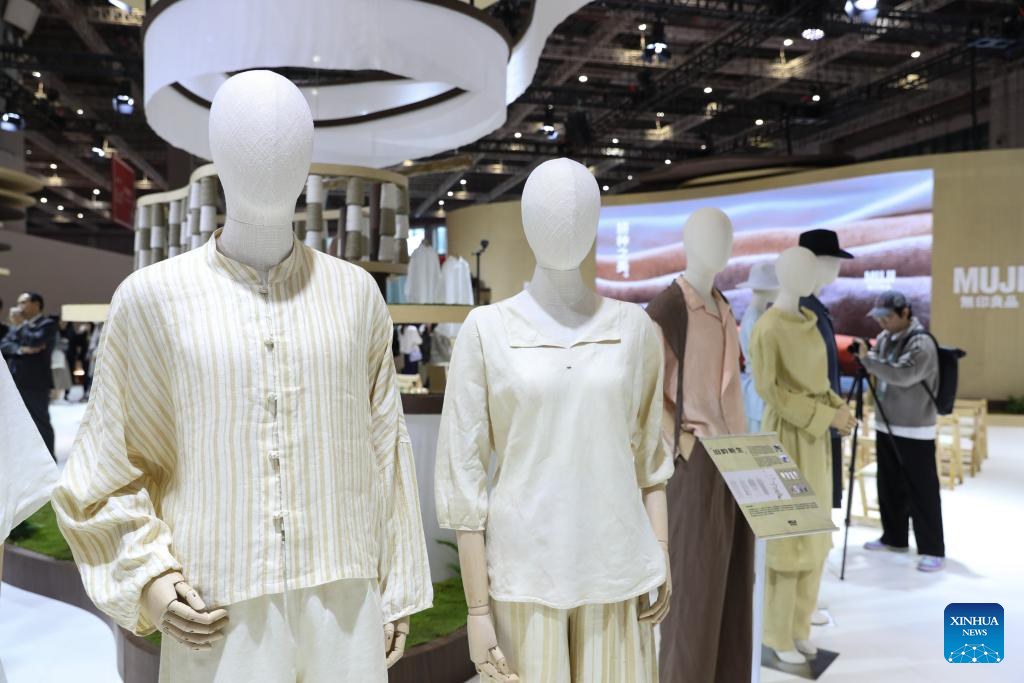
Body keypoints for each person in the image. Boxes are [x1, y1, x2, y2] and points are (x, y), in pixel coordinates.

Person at [854, 290, 945, 572]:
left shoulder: (921, 343)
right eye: (879, 318)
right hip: (886, 423)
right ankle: (894, 538)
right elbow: (880, 366)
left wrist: (869, 361)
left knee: (922, 491)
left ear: (905, 312)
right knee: (889, 486)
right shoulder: (885, 338)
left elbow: (903, 375)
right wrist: (868, 357)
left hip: (915, 428)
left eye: (887, 317)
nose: (882, 323)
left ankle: (933, 549)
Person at [0, 292, 58, 458]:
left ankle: (48, 460)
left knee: (40, 422)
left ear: (36, 304)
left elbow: (35, 340)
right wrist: (21, 349)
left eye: (23, 302)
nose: (19, 307)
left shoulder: (47, 324)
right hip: (15, 382)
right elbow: (4, 344)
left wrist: (21, 327)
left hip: (35, 383)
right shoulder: (18, 326)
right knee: (17, 423)